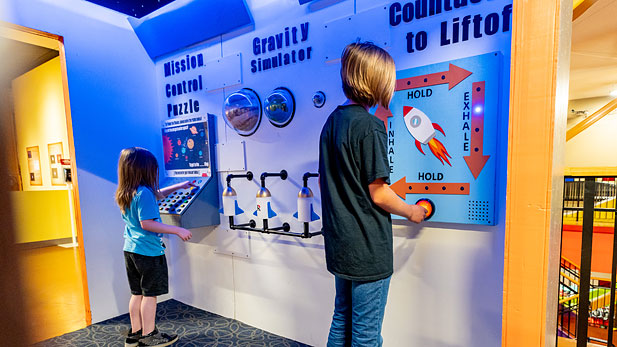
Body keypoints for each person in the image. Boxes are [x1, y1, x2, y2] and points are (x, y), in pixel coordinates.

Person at [318, 42, 427, 346]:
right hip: (367, 248)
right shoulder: (370, 126)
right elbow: (378, 193)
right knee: (366, 334)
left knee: (341, 319)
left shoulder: (332, 122)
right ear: (375, 80)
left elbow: (326, 184)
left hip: (341, 245)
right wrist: (412, 211)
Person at [115, 147, 193, 347]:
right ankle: (150, 336)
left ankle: (135, 333)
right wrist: (177, 230)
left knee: (137, 293)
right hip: (148, 251)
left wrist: (179, 186)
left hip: (131, 249)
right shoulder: (144, 193)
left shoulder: (127, 191)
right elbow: (147, 223)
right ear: (144, 170)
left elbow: (156, 195)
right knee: (150, 296)